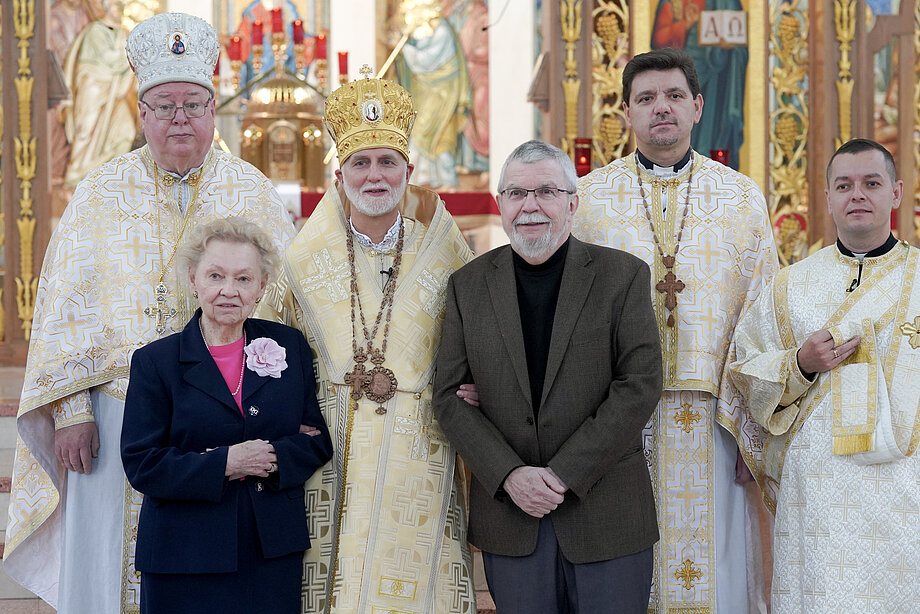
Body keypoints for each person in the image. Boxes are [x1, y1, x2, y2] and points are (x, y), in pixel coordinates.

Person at [4, 12, 295, 614]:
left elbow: (289, 307)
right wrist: (71, 410)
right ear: (142, 113)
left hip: (225, 420)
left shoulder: (253, 192)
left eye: (193, 104)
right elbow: (64, 309)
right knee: (107, 575)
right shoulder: (99, 193)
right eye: (165, 106)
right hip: (115, 419)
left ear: (213, 110)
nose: (179, 118)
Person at [257, 70, 476, 613]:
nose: (374, 175)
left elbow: (483, 340)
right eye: (360, 162)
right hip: (331, 453)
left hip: (422, 450)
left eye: (387, 162)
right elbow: (266, 359)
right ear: (339, 174)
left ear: (409, 171)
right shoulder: (301, 262)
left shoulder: (448, 254)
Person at [573, 47, 777, 613]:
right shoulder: (588, 201)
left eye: (673, 96)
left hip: (714, 421)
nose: (660, 107)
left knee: (715, 569)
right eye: (646, 98)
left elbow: (763, 318)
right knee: (625, 570)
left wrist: (753, 431)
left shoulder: (740, 198)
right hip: (616, 419)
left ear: (697, 106)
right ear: (626, 112)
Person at [432, 140, 662, 613]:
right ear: (501, 204)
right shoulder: (467, 285)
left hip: (606, 513)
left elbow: (639, 384)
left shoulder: (622, 276)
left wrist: (562, 474)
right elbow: (449, 398)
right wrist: (510, 475)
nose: (530, 206)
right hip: (512, 519)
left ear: (572, 203)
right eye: (517, 193)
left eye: (546, 192)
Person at [730, 138, 920, 613]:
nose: (858, 195)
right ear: (828, 198)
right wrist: (799, 364)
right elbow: (744, 370)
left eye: (871, 183)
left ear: (896, 193)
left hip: (907, 485)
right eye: (844, 185)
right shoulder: (788, 286)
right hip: (817, 489)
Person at [121, 217, 332, 613]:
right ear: (193, 279)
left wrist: (272, 457)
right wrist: (227, 462)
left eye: (243, 278)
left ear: (262, 286)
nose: (229, 291)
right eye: (215, 276)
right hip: (184, 554)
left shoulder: (289, 346)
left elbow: (316, 440)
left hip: (269, 552)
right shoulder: (156, 362)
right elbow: (143, 464)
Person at [652, 0, 747, 169]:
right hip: (681, 83)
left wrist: (728, 48)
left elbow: (740, 40)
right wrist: (685, 25)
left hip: (720, 82)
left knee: (715, 129)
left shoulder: (727, 2)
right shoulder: (673, 3)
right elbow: (659, 40)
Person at [62, 0, 138, 186]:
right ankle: (76, 174)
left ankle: (113, 178)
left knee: (126, 130)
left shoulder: (123, 34)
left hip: (116, 93)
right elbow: (108, 59)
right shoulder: (95, 30)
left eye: (121, 6)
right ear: (106, 7)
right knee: (86, 129)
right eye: (115, 5)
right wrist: (131, 55)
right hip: (93, 88)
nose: (118, 10)